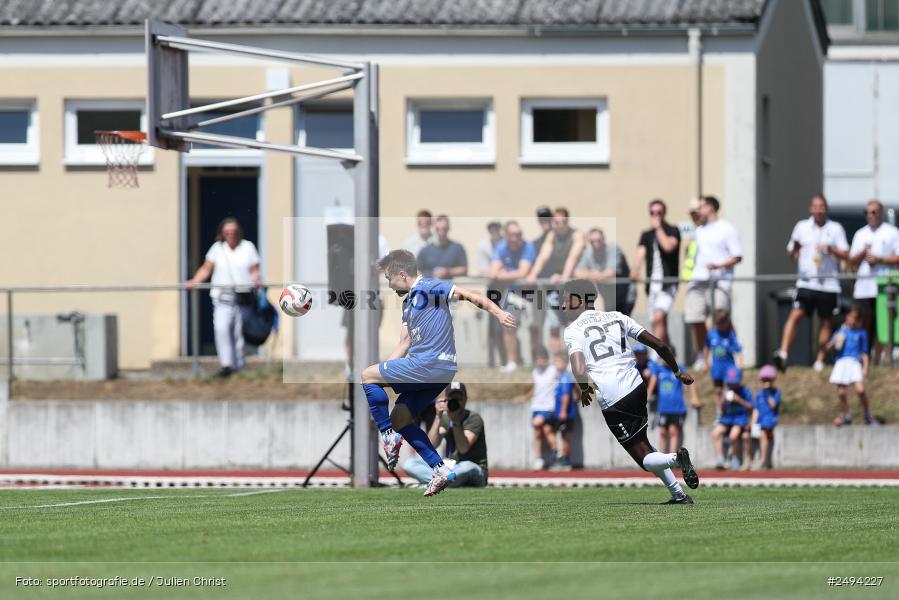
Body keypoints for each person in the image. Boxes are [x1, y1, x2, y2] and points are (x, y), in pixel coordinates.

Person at [360, 250, 516, 497]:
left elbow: (467, 294)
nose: (389, 285)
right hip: (437, 371)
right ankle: (440, 469)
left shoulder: (429, 286)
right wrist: (385, 374)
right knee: (400, 417)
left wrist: (498, 313)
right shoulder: (408, 303)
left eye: (389, 278)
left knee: (366, 375)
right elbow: (405, 343)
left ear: (402, 274)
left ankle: (387, 435)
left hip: (430, 364)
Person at [560, 278, 700, 504]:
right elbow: (660, 345)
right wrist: (677, 371)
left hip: (614, 398)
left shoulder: (573, 330)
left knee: (644, 459)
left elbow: (578, 367)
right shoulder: (617, 317)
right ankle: (678, 494)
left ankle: (677, 458)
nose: (563, 304)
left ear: (578, 301)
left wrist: (584, 388)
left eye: (566, 298)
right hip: (637, 387)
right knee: (645, 445)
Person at [772, 194, 849, 373]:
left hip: (828, 283)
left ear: (826, 208)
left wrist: (831, 249)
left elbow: (846, 254)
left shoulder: (835, 228)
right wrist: (796, 248)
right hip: (806, 282)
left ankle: (820, 360)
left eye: (822, 206)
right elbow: (790, 254)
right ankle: (783, 353)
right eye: (815, 206)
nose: (818, 210)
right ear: (810, 208)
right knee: (795, 314)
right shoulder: (801, 227)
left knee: (825, 321)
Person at [186, 217, 263, 378]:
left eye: (233, 231)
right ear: (222, 233)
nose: (230, 234)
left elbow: (255, 270)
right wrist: (194, 281)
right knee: (222, 329)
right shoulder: (217, 249)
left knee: (239, 333)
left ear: (238, 232)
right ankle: (226, 365)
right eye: (227, 231)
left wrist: (257, 280)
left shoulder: (247, 247)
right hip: (222, 297)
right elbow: (207, 268)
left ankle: (239, 366)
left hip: (243, 298)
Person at [685, 196, 742, 371]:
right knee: (696, 318)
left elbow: (737, 256)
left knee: (721, 319)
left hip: (719, 282)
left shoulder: (726, 229)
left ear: (710, 207)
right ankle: (702, 355)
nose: (698, 209)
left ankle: (733, 351)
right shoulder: (700, 230)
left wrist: (719, 266)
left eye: (701, 206)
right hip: (698, 281)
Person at [401, 382, 488, 488]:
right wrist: (438, 416)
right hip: (451, 468)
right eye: (452, 399)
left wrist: (455, 422)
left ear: (465, 399)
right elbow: (431, 445)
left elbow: (463, 448)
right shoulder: (444, 418)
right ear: (446, 400)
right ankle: (443, 483)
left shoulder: (473, 418)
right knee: (410, 464)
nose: (455, 402)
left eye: (458, 398)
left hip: (475, 469)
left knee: (467, 466)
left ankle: (429, 485)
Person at [527, 207, 587, 356]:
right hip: (556, 287)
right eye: (556, 222)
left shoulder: (577, 235)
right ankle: (558, 362)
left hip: (572, 286)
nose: (559, 225)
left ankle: (575, 359)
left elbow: (572, 258)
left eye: (563, 222)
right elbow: (543, 256)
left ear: (567, 221)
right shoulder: (552, 236)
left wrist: (564, 278)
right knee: (553, 326)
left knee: (573, 325)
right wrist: (533, 274)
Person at [847, 200, 899, 364]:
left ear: (881, 213)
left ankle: (885, 359)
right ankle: (865, 360)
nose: (870, 215)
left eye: (874, 212)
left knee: (883, 326)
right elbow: (851, 261)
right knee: (865, 325)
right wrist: (864, 252)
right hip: (864, 288)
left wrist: (880, 259)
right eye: (867, 212)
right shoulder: (860, 234)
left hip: (885, 288)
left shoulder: (892, 232)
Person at [488, 221, 538, 372]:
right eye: (513, 235)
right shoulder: (501, 247)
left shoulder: (528, 247)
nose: (517, 238)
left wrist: (503, 274)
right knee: (508, 326)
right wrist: (506, 275)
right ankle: (513, 362)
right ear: (507, 235)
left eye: (519, 234)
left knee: (534, 328)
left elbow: (523, 272)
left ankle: (537, 363)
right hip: (514, 293)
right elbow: (493, 272)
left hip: (532, 292)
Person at [633, 199, 681, 343]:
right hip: (652, 285)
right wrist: (635, 270)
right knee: (657, 320)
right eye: (652, 212)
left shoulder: (673, 230)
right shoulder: (646, 235)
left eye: (659, 212)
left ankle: (655, 356)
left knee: (659, 316)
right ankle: (667, 355)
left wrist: (658, 228)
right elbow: (640, 252)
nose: (655, 215)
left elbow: (668, 246)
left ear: (664, 213)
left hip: (667, 283)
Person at [824, 305, 875, 426]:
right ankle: (846, 415)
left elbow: (864, 352)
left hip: (854, 362)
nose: (852, 320)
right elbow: (828, 346)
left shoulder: (861, 333)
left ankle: (867, 414)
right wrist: (835, 340)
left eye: (855, 318)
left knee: (860, 390)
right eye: (850, 317)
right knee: (841, 392)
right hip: (842, 362)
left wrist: (865, 367)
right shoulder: (840, 331)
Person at [647, 348, 701, 454]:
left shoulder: (679, 369)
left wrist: (694, 397)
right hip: (663, 407)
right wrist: (648, 394)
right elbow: (653, 380)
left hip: (676, 407)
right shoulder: (658, 369)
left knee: (673, 431)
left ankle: (672, 458)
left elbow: (690, 381)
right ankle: (661, 458)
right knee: (662, 432)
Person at [575, 227, 636, 315]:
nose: (596, 244)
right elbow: (577, 272)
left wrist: (590, 274)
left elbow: (611, 273)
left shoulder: (614, 249)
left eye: (598, 240)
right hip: (608, 298)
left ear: (603, 239)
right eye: (592, 241)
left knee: (623, 325)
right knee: (612, 325)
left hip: (625, 295)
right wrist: (596, 275)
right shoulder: (588, 252)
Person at [520, 347, 559, 470]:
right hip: (536, 406)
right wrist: (525, 397)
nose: (540, 361)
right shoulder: (535, 372)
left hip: (548, 407)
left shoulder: (553, 371)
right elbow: (536, 389)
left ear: (547, 359)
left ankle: (551, 457)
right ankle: (544, 458)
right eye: (538, 359)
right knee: (543, 431)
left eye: (542, 359)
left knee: (536, 423)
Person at [711, 367, 752, 470]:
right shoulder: (727, 391)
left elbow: (750, 407)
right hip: (728, 418)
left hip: (740, 418)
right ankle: (720, 459)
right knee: (715, 433)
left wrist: (738, 400)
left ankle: (735, 458)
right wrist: (722, 398)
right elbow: (721, 407)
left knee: (733, 436)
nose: (732, 384)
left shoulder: (745, 391)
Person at [477, 221, 506, 368]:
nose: (494, 231)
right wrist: (495, 273)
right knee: (493, 328)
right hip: (492, 290)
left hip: (508, 289)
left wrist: (499, 274)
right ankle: (493, 361)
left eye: (496, 228)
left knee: (504, 326)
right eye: (492, 229)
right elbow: (482, 269)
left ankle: (506, 360)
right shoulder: (484, 246)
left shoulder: (506, 243)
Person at [705, 310, 743, 401]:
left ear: (727, 322)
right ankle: (719, 409)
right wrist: (705, 363)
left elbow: (738, 351)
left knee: (728, 389)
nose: (720, 326)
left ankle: (727, 409)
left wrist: (740, 366)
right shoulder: (712, 335)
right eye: (717, 323)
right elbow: (706, 348)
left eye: (722, 323)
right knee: (718, 390)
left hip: (729, 367)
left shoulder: (730, 335)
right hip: (717, 368)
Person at [751, 365, 781, 470]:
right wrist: (753, 423)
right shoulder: (758, 394)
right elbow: (756, 409)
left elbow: (773, 405)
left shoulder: (776, 393)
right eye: (764, 380)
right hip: (761, 420)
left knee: (764, 434)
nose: (766, 383)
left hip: (770, 419)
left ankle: (763, 460)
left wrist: (768, 394)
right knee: (759, 435)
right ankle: (764, 461)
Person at [552, 352, 578, 470]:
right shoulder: (561, 376)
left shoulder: (566, 376)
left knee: (564, 436)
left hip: (565, 413)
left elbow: (566, 395)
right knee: (562, 435)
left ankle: (566, 461)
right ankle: (563, 459)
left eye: (559, 361)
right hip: (560, 412)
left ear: (565, 363)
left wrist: (563, 411)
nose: (556, 364)